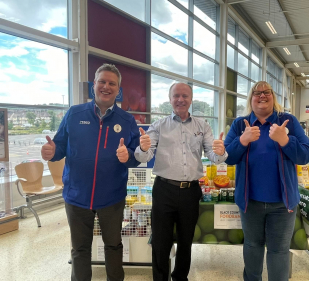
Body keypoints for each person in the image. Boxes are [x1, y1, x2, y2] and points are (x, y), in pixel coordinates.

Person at [41, 64, 140, 281]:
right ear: (93, 85)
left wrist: (129, 156)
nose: (106, 86)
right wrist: (51, 151)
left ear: (118, 89)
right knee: (79, 249)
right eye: (102, 81)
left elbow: (135, 154)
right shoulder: (74, 114)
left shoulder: (126, 120)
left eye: (112, 83)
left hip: (112, 197)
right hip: (77, 196)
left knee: (113, 246)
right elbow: (59, 146)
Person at [134, 82, 228, 281]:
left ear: (191, 99)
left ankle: (180, 277)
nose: (180, 99)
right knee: (161, 241)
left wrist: (220, 152)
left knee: (186, 241)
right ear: (170, 100)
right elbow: (144, 156)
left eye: (185, 96)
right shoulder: (159, 126)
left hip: (190, 191)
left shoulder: (202, 126)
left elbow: (214, 156)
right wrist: (143, 148)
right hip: (164, 190)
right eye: (176, 95)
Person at [224, 81, 309, 281]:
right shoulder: (240, 124)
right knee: (252, 248)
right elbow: (227, 157)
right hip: (250, 202)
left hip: (282, 204)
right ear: (251, 98)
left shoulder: (288, 121)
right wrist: (242, 140)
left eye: (267, 92)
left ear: (273, 97)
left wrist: (285, 141)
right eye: (257, 93)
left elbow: (305, 155)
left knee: (279, 252)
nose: (262, 95)